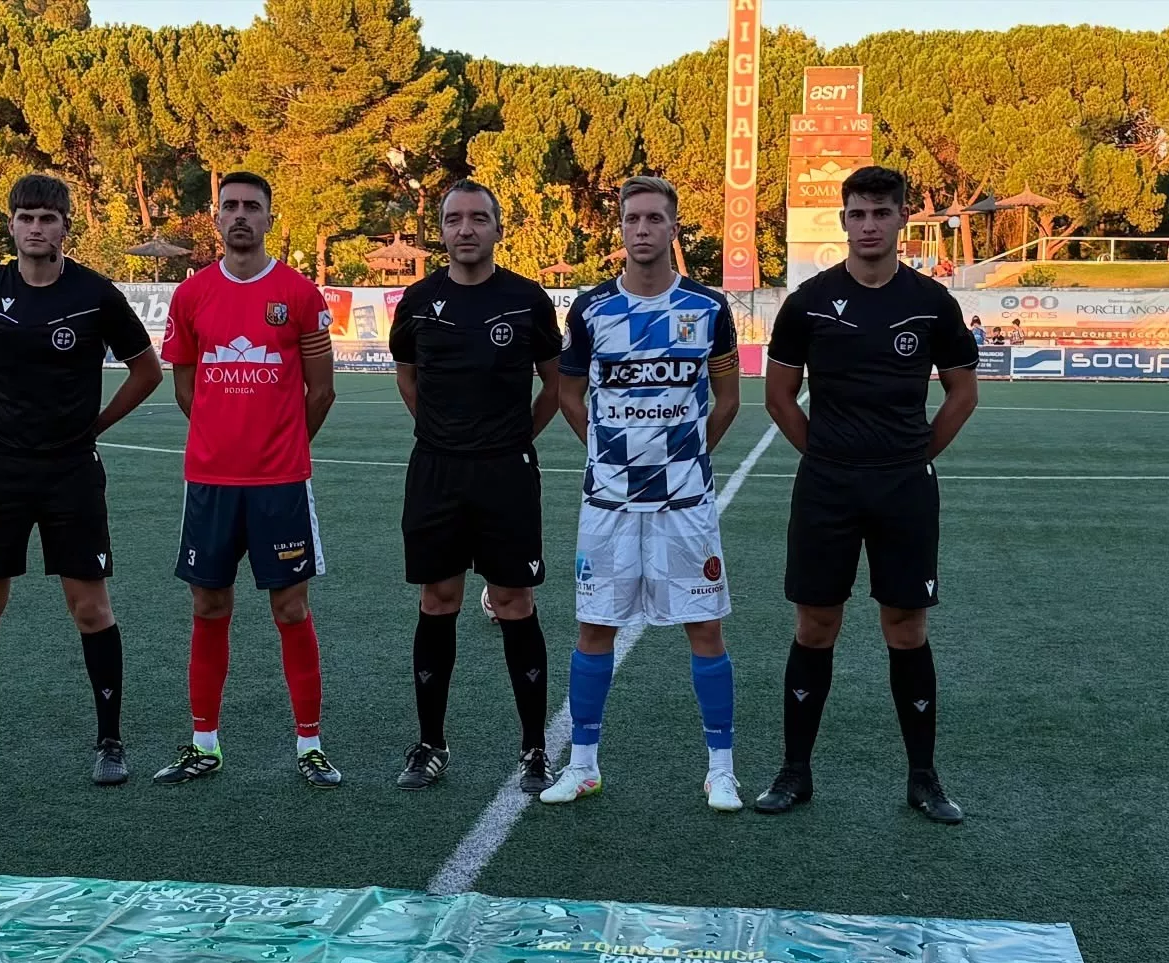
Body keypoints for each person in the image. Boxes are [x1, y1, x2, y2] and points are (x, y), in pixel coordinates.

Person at [0, 173, 163, 784]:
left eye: (47, 218)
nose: (35, 228)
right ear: (11, 225)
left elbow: (147, 371)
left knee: (90, 607)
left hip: (70, 472)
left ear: (65, 227)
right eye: (25, 217)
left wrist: (95, 426)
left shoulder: (96, 294)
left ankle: (110, 742)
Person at [755, 165, 979, 825]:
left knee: (906, 627)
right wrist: (827, 456)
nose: (869, 225)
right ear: (843, 220)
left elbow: (963, 393)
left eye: (882, 212)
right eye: (858, 213)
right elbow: (778, 397)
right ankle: (795, 772)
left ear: (902, 218)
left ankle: (924, 779)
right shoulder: (810, 301)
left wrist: (915, 456)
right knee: (815, 624)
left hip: (904, 486)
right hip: (827, 486)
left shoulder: (932, 303)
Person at [540, 175, 743, 811]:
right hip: (610, 502)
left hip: (686, 501)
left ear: (674, 228)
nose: (643, 229)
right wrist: (607, 453)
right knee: (594, 626)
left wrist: (688, 456)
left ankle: (721, 770)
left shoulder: (709, 308)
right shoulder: (591, 310)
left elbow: (728, 399)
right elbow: (569, 394)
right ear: (621, 228)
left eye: (655, 218)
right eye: (633, 219)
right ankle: (583, 765)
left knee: (704, 627)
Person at [152, 172, 341, 788]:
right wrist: (222, 438)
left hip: (280, 482)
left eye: (251, 207)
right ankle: (204, 743)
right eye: (229, 206)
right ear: (216, 218)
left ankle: (310, 745)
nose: (239, 215)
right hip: (209, 481)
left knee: (290, 608)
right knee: (209, 605)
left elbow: (321, 392)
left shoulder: (299, 294)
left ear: (268, 219)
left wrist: (280, 446)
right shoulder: (191, 295)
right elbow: (185, 389)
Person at [388, 179, 563, 794]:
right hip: (436, 471)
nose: (466, 229)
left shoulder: (526, 300)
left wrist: (515, 438)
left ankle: (535, 749)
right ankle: (430, 744)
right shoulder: (417, 301)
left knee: (514, 601)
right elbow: (407, 376)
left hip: (505, 473)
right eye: (454, 219)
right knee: (438, 599)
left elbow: (555, 383)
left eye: (478, 218)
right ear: (441, 229)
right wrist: (440, 433)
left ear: (497, 228)